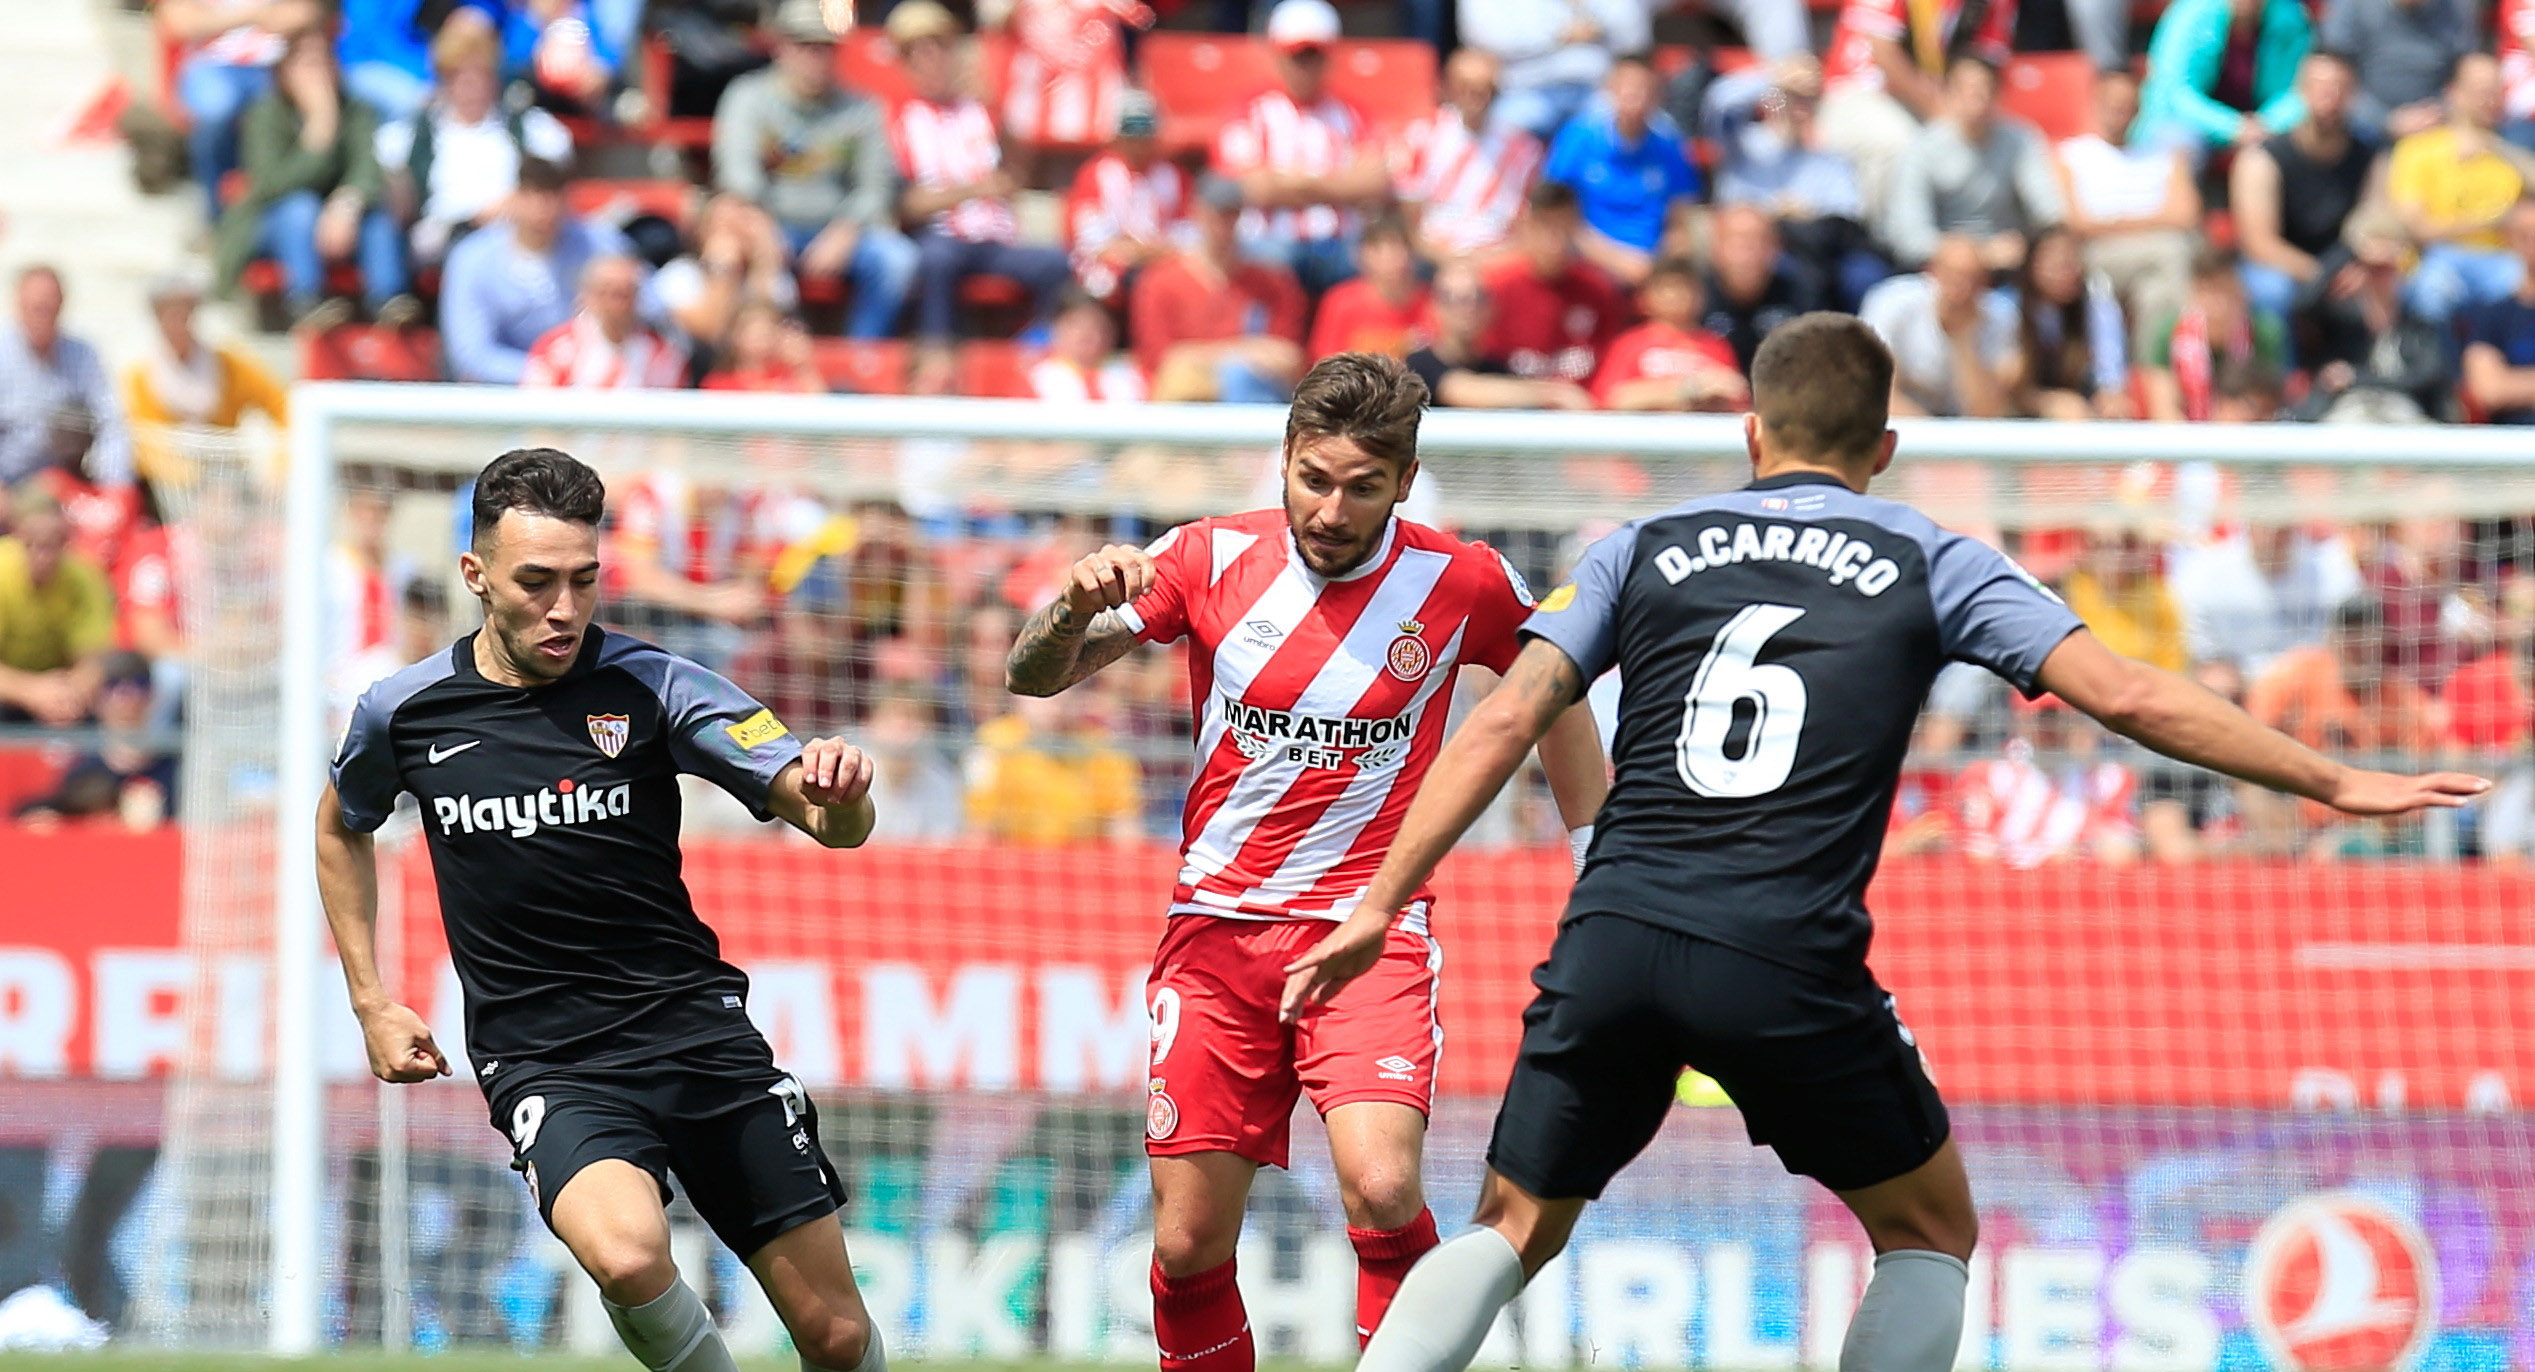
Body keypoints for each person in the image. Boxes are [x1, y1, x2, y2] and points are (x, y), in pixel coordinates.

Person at [1293, 311, 2488, 1372]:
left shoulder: (1638, 544)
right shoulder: (1931, 555)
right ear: (1883, 450)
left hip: (1613, 932)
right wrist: (2336, 777)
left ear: (1753, 435)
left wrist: (1375, 903)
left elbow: (1507, 715)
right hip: (1780, 949)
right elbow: (2127, 696)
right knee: (1929, 1231)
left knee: (1510, 1224)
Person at [1000, 353, 1608, 1372]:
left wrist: (1599, 862)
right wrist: (1068, 606)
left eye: (1362, 486)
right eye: (1313, 478)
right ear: (1283, 460)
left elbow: (1552, 692)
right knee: (1189, 1242)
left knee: (1381, 1186)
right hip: (1215, 933)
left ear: (1404, 481)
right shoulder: (1204, 557)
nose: (1331, 507)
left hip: (1367, 933)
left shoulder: (1461, 579)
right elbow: (1033, 676)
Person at [317, 449, 890, 1372]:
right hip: (547, 1057)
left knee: (835, 1335)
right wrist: (371, 1000)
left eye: (584, 581)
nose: (563, 608)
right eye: (535, 581)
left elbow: (829, 823)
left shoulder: (655, 686)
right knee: (627, 1256)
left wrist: (845, 788)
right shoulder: (404, 711)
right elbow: (342, 826)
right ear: (476, 576)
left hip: (695, 1035)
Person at [711, 0, 918, 341]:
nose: (815, 57)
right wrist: (763, 228)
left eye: (824, 47)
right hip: (770, 223)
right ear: (781, 47)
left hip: (839, 228)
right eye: (804, 45)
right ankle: (754, 358)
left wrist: (847, 229)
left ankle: (859, 359)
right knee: (736, 250)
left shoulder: (861, 108)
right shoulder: (749, 97)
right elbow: (738, 175)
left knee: (898, 259)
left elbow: (877, 186)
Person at [888, 1, 1075, 343]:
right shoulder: (899, 119)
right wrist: (975, 190)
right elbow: (907, 205)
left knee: (1056, 264)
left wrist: (998, 109)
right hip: (940, 237)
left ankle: (1034, 350)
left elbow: (1020, 173)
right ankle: (937, 353)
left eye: (939, 51)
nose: (932, 63)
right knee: (936, 261)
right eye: (920, 54)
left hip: (994, 238)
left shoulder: (979, 110)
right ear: (907, 64)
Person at [213, 27, 413, 327]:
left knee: (376, 215)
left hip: (340, 224)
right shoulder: (265, 114)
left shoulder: (357, 110)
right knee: (299, 207)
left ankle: (389, 301)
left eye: (323, 61)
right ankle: (305, 300)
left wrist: (347, 203)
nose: (316, 73)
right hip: (273, 225)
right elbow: (271, 184)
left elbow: (368, 169)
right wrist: (320, 130)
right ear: (284, 71)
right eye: (306, 63)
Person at [1212, 0, 1388, 297]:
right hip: (1271, 241)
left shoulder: (1352, 114)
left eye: (1314, 55)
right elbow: (1255, 188)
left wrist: (1293, 183)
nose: (1305, 66)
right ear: (1277, 55)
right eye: (1297, 56)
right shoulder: (1248, 111)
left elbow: (1374, 183)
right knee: (1266, 265)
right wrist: (1338, 184)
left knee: (1380, 265)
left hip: (1341, 243)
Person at [374, 18, 577, 268]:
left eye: (479, 76)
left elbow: (556, 158)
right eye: (458, 76)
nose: (470, 87)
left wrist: (518, 199)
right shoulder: (416, 132)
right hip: (442, 240)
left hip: (509, 236)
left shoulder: (523, 127)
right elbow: (378, 161)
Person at [1706, 56, 1883, 311]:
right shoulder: (1743, 145)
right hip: (1749, 247)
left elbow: (1849, 212)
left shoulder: (1831, 161)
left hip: (1813, 249)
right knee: (1773, 265)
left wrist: (1807, 213)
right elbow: (1719, 104)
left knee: (1864, 273)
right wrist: (1775, 77)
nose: (1800, 107)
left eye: (1808, 99)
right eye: (1793, 97)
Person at [1815, 0, 2016, 219]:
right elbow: (1884, 52)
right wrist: (1944, 115)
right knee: (1901, 143)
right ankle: (1880, 244)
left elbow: (1985, 67)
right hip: (1858, 92)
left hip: (1933, 101)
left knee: (2007, 142)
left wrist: (1966, 114)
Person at [441, 159, 634, 385]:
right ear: (514, 197)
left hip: (593, 389)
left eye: (553, 195)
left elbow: (650, 302)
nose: (543, 209)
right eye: (533, 195)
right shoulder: (472, 259)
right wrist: (550, 372)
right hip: (504, 397)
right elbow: (472, 354)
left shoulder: (600, 244)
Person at [2231, 50, 2379, 330]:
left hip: (2347, 267)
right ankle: (2280, 373)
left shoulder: (2371, 157)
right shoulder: (2262, 159)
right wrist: (2321, 274)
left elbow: (2374, 228)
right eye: (2320, 87)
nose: (2329, 98)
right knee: (2271, 290)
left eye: (2339, 89)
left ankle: (2378, 371)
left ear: (2354, 95)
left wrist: (2363, 269)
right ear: (2300, 91)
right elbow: (2259, 244)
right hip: (2282, 267)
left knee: (2390, 285)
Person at [2053, 67, 2199, 351]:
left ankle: (2149, 370)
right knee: (2174, 251)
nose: (2120, 112)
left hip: (2151, 259)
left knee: (2154, 295)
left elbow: (2186, 215)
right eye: (2113, 104)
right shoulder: (2071, 156)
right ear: (2096, 102)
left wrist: (2110, 221)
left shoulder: (2164, 157)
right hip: (2096, 256)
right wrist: (2154, 219)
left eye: (2127, 105)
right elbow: (2076, 223)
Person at [1129, 175, 1308, 404]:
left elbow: (1288, 359)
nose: (1224, 223)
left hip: (1256, 393)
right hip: (1186, 399)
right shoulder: (1159, 281)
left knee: (1240, 379)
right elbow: (1164, 361)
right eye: (1216, 213)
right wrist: (1247, 352)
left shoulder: (1273, 282)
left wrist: (1205, 357)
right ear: (1197, 212)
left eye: (1232, 214)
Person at [1882, 55, 2065, 273]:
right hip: (1940, 271)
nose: (1975, 102)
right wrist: (1977, 255)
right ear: (1948, 93)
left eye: (1983, 91)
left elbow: (2048, 210)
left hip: (2009, 265)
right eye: (1966, 91)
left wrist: (2033, 243)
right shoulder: (1922, 149)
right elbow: (1908, 235)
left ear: (1997, 94)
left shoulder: (2021, 140)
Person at [2388, 54, 2532, 328]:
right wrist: (2490, 222)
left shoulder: (2511, 152)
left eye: (2495, 90)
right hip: (2440, 258)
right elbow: (2417, 228)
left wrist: (2495, 147)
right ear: (2453, 92)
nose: (2489, 99)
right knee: (2432, 290)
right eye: (2480, 90)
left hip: (2501, 260)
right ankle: (2441, 371)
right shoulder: (2418, 149)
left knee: (2521, 285)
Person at [1542, 55, 1701, 287]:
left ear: (1658, 97)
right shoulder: (1579, 137)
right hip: (1587, 260)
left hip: (1651, 266)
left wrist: (1664, 263)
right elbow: (1556, 212)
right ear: (1611, 89)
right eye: (1628, 86)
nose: (1635, 96)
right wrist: (1616, 260)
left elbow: (1681, 217)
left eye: (1644, 89)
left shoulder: (1669, 146)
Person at [121, 273, 291, 489]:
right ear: (157, 317)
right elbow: (145, 442)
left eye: (185, 311)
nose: (178, 320)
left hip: (230, 481)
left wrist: (281, 462)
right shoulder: (140, 376)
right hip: (168, 493)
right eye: (170, 312)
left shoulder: (228, 364)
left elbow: (282, 403)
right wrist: (192, 479)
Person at [156, 0, 322, 218]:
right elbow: (179, 24)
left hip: (276, 65)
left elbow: (306, 13)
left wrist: (216, 20)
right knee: (217, 108)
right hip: (212, 65)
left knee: (305, 108)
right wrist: (252, 16)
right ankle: (221, 219)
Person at [1394, 49, 1543, 264]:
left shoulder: (1525, 149)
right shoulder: (1419, 137)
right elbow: (1410, 223)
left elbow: (1527, 227)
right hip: (1433, 258)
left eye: (1484, 88)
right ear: (1447, 87)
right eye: (1464, 87)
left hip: (1498, 259)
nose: (1475, 96)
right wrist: (1449, 261)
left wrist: (1487, 262)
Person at [1480, 182, 1628, 385]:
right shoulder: (1495, 287)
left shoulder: (1598, 290)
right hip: (1509, 409)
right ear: (1528, 227)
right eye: (1546, 226)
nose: (1555, 239)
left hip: (1582, 411)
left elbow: (1610, 367)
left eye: (1564, 226)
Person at [2133, 0, 2314, 164]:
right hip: (2186, 125)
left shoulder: (2291, 19)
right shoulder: (2191, 13)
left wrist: (2268, 124)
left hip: (2261, 130)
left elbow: (2301, 90)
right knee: (2180, 145)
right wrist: (2233, 128)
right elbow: (2174, 92)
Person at [11, 651, 176, 830]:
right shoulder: (80, 766)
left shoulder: (174, 764)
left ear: (154, 693)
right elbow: (43, 809)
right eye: (113, 684)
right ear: (96, 697)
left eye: (139, 683)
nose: (127, 695)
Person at [0, 268, 133, 489]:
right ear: (19, 306)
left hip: (62, 482)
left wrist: (116, 486)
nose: (44, 316)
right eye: (38, 308)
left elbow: (111, 422)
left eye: (50, 307)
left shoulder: (82, 354)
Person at [1859, 234, 2018, 417]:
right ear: (1932, 272)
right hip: (1902, 422)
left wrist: (1964, 340)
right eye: (1954, 275)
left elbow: (1987, 412)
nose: (1963, 287)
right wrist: (1933, 436)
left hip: (1965, 429)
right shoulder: (1891, 304)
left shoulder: (2003, 317)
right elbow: (1878, 393)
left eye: (1973, 279)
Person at [1405, 260, 1594, 409]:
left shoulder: (1499, 368)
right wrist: (1556, 394)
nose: (1468, 309)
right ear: (1435, 307)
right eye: (1455, 299)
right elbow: (1460, 390)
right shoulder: (1418, 365)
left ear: (1491, 308)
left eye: (1477, 298)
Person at [1455, 0, 1651, 140]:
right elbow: (1489, 36)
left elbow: (1634, 35)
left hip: (1597, 89)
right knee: (1507, 127)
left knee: (1647, 123)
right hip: (1524, 90)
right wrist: (1560, 35)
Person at [1065, 89, 1192, 303]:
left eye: (1145, 136)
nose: (1139, 145)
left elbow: (1189, 235)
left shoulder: (1175, 177)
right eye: (1132, 136)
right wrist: (1138, 251)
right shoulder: (1095, 174)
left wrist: (1151, 252)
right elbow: (1092, 238)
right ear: (1118, 137)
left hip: (1162, 265)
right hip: (1112, 272)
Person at [0, 487, 114, 727]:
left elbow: (93, 657)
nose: (43, 556)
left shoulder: (84, 576)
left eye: (53, 544)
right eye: (33, 544)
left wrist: (74, 691)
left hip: (61, 689)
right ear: (16, 536)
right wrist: (31, 691)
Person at [2139, 246, 2289, 422]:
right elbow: (2163, 410)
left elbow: (2269, 407)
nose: (2217, 305)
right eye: (2207, 291)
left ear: (2242, 293)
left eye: (2224, 291)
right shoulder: (2168, 332)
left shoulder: (2264, 333)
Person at [654, 194, 798, 363]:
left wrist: (765, 260)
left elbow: (768, 331)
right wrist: (722, 268)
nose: (733, 236)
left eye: (740, 225)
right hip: (692, 374)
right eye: (724, 226)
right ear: (702, 231)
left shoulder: (770, 276)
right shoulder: (679, 274)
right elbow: (710, 333)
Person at [1590, 257, 1748, 411]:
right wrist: (1688, 390)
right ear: (1647, 296)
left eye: (1687, 287)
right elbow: (1610, 399)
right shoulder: (1630, 344)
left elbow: (1738, 400)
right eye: (1670, 287)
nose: (1679, 295)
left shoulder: (1717, 346)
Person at [2008, 225, 2132, 420]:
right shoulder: (2009, 309)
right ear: (2031, 264)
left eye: (2071, 258)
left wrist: (2109, 398)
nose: (2065, 267)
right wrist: (2047, 401)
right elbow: (2006, 386)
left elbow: (2110, 377)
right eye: (2053, 259)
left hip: (2081, 410)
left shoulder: (2096, 306)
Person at [521, 256, 690, 391]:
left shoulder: (662, 357)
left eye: (624, 293)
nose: (616, 303)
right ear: (585, 295)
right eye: (606, 292)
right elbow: (537, 420)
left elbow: (671, 427)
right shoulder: (556, 350)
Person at [2316, 0, 2473, 141]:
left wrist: (2440, 114)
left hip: (2437, 126)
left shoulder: (2454, 10)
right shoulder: (2355, 7)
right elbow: (2335, 73)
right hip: (2362, 128)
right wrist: (2386, 121)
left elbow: (2466, 74)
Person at [1701, 205, 1825, 374]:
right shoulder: (1695, 296)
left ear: (1777, 248)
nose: (1748, 253)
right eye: (1738, 242)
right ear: (1716, 247)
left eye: (1760, 241)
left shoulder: (1801, 293)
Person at [1309, 214, 1429, 361]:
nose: (1393, 258)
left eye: (1400, 248)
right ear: (1362, 255)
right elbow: (1324, 359)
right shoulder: (1341, 302)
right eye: (1380, 249)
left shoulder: (1431, 303)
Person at [2461, 196, 2535, 424]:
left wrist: (2515, 384)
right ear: (2509, 240)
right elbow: (2489, 390)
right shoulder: (2491, 316)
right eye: (2526, 235)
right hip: (2513, 448)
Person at [1031, 289, 1148, 402]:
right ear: (1055, 326)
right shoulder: (1034, 377)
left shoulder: (1133, 375)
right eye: (1076, 323)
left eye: (1098, 324)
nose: (1086, 332)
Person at [704, 302, 827, 394]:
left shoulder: (786, 377)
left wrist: (801, 366)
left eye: (767, 332)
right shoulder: (719, 383)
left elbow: (820, 405)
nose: (761, 339)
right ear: (735, 336)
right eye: (754, 333)